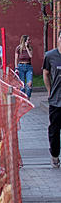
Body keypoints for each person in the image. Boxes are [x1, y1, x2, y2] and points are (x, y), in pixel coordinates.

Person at [41, 36, 61, 168]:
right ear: (59, 39)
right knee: (54, 130)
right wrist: (49, 90)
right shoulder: (50, 56)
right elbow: (45, 73)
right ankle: (54, 155)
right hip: (56, 100)